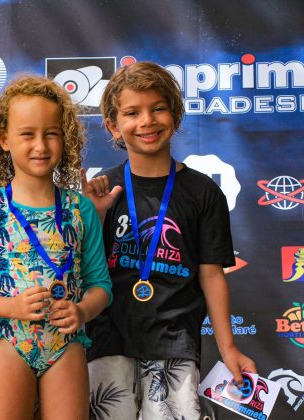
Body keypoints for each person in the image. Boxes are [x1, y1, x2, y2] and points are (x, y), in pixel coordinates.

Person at [82, 61, 257, 419]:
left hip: (175, 341)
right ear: (114, 126)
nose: (147, 121)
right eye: (132, 112)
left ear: (175, 116)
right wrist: (95, 213)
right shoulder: (103, 189)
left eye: (158, 108)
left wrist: (228, 348)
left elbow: (211, 274)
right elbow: (85, 266)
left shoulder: (204, 193)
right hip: (107, 338)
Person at [0, 75, 112, 420]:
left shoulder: (81, 209)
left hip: (65, 347)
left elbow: (101, 286)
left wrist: (82, 312)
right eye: (28, 134)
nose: (40, 145)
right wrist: (12, 307)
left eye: (51, 133)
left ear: (64, 138)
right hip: (9, 344)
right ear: (4, 139)